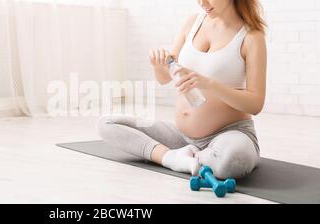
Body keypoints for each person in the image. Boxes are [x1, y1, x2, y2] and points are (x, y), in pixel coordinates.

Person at [98, 0, 267, 179]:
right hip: (181, 137)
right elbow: (165, 77)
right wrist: (158, 65)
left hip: (229, 134)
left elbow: (255, 104)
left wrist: (209, 84)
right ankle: (172, 158)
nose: (202, 2)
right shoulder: (192, 23)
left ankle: (193, 157)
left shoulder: (251, 36)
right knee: (107, 124)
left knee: (233, 161)